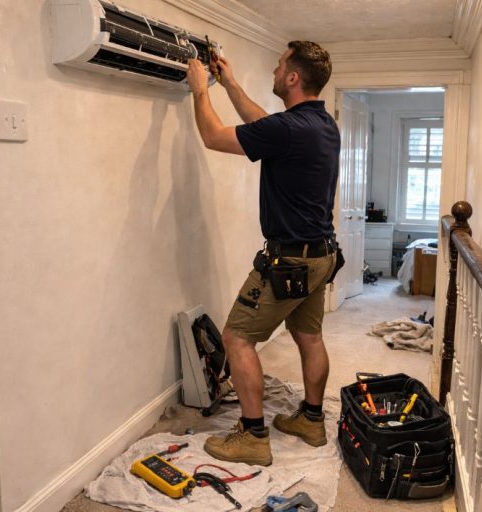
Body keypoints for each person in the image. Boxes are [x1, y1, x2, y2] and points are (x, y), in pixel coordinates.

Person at [186, 40, 341, 466]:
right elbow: (262, 124)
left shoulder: (289, 130)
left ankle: (253, 436)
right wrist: (230, 82)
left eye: (278, 67)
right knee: (309, 336)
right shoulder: (319, 124)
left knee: (237, 338)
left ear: (292, 78)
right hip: (321, 256)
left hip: (289, 261)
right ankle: (311, 420)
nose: (274, 72)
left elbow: (214, 137)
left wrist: (201, 89)